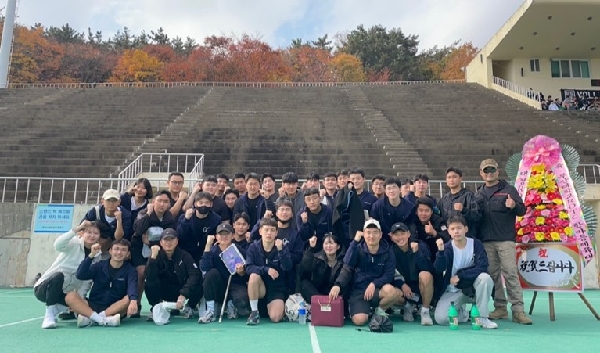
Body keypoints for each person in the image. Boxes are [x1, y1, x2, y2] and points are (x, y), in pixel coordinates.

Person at [475, 159, 532, 325]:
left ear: (497, 172)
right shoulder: (479, 193)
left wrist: (514, 205)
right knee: (492, 276)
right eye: (486, 170)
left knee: (510, 273)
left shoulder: (509, 189)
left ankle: (518, 310)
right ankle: (500, 308)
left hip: (505, 239)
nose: (489, 173)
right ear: (481, 173)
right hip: (486, 241)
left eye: (492, 169)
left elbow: (522, 210)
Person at [329, 219, 399, 326]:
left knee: (392, 292)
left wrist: (374, 284)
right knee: (359, 321)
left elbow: (389, 275)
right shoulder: (357, 249)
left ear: (380, 235)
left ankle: (378, 312)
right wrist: (338, 285)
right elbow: (346, 264)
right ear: (364, 234)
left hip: (377, 290)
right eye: (368, 232)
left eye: (375, 232)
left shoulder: (388, 252)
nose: (372, 236)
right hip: (359, 291)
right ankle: (364, 311)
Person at [432, 215, 498, 329]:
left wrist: (461, 275)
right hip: (454, 290)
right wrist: (441, 252)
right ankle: (463, 313)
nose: (456, 231)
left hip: (473, 289)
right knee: (441, 319)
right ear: (448, 231)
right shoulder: (447, 248)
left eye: (459, 228)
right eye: (452, 229)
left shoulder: (475, 244)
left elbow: (483, 266)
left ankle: (482, 318)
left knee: (485, 278)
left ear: (465, 229)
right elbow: (438, 269)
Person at [34, 221, 101, 329]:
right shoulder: (73, 243)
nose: (92, 236)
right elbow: (58, 245)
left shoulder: (97, 254)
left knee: (85, 302)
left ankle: (58, 309)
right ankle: (49, 315)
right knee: (58, 276)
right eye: (89, 232)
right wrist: (76, 229)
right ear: (81, 233)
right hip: (44, 289)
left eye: (96, 233)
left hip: (64, 294)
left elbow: (86, 281)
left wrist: (79, 300)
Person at [65, 239, 138, 328]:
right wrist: (91, 255)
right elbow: (80, 275)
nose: (119, 252)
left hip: (114, 307)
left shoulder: (131, 270)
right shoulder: (99, 266)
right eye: (116, 249)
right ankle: (101, 319)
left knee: (129, 298)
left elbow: (132, 287)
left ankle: (92, 318)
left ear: (128, 254)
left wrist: (134, 301)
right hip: (93, 304)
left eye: (123, 250)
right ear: (110, 251)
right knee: (70, 296)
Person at [130, 190, 177, 317]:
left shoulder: (170, 218)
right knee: (141, 273)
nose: (162, 204)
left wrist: (150, 243)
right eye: (159, 201)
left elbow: (170, 239)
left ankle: (159, 304)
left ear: (169, 204)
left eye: (165, 201)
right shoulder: (143, 213)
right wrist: (148, 213)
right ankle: (137, 305)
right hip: (139, 250)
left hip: (159, 252)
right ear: (153, 202)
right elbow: (139, 230)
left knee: (162, 273)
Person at [144, 228, 202, 322]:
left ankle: (190, 306)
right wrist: (153, 258)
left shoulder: (185, 255)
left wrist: (183, 294)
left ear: (177, 241)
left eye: (171, 239)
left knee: (199, 281)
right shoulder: (156, 256)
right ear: (161, 242)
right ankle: (156, 307)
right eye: (166, 240)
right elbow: (149, 276)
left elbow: (194, 274)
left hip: (181, 290)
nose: (169, 242)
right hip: (163, 289)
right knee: (149, 283)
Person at [245, 218, 293, 325]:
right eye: (266, 230)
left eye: (272, 230)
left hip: (276, 288)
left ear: (276, 233)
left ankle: (278, 308)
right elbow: (248, 268)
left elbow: (288, 267)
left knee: (275, 318)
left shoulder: (282, 247)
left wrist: (280, 251)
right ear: (260, 231)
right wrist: (266, 270)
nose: (269, 233)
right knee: (253, 276)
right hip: (260, 287)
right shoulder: (253, 247)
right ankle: (254, 312)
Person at [199, 224, 250, 323]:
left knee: (242, 300)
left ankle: (231, 304)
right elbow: (205, 268)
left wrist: (242, 272)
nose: (224, 237)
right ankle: (210, 309)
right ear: (216, 236)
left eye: (227, 234)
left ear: (233, 236)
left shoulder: (239, 250)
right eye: (221, 234)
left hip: (235, 285)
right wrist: (208, 245)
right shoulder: (212, 250)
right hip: (219, 287)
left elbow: (246, 273)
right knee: (211, 273)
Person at [389, 222, 435, 325]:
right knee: (390, 291)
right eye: (396, 234)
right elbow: (389, 273)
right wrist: (402, 284)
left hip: (420, 288)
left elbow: (429, 269)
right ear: (391, 237)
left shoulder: (421, 246)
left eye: (402, 233)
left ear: (409, 234)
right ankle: (408, 306)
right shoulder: (390, 251)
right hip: (403, 289)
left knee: (425, 275)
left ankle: (425, 311)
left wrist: (417, 253)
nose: (400, 237)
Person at [177, 191, 221, 263]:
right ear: (195, 204)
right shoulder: (184, 217)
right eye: (200, 203)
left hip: (206, 252)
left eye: (207, 203)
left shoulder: (216, 219)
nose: (204, 205)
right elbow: (180, 235)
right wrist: (186, 220)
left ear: (211, 204)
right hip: (186, 252)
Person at [298, 233, 344, 302]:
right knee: (304, 284)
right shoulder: (317, 258)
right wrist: (311, 248)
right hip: (317, 292)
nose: (328, 246)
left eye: (331, 243)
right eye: (326, 243)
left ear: (338, 246)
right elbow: (305, 266)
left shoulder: (343, 261)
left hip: (335, 293)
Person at [370, 177, 415, 242]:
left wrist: (413, 240)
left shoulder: (409, 207)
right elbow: (374, 223)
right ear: (385, 191)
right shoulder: (378, 206)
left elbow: (412, 226)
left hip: (404, 239)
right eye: (389, 188)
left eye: (394, 187)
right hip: (383, 239)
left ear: (399, 189)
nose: (391, 191)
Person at [439, 167, 480, 238]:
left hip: (466, 238)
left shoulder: (468, 195)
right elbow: (440, 218)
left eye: (454, 177)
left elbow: (477, 216)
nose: (451, 180)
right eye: (449, 177)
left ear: (461, 178)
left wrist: (463, 210)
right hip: (449, 239)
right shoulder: (444, 199)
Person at [411, 197, 449, 263]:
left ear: (431, 211)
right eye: (421, 210)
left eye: (427, 210)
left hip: (436, 256)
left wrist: (435, 233)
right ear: (416, 211)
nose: (423, 214)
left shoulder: (439, 221)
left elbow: (447, 238)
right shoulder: (413, 222)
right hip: (420, 256)